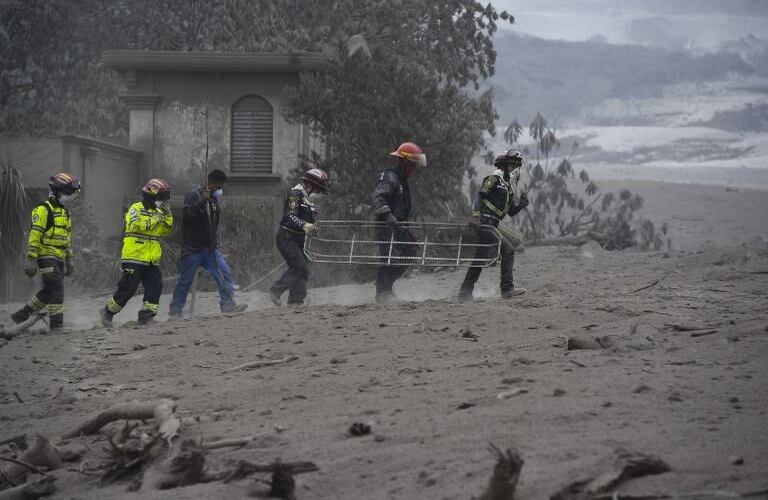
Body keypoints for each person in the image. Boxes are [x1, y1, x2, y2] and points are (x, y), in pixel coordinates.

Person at [168, 169, 246, 318]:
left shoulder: (215, 199)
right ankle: (175, 311)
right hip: (192, 249)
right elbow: (188, 216)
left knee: (224, 273)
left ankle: (228, 305)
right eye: (218, 188)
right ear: (209, 183)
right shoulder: (193, 195)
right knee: (185, 281)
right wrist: (202, 201)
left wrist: (213, 242)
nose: (220, 191)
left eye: (221, 188)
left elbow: (213, 223)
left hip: (210, 249)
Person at [11, 173, 81, 332]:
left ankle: (21, 315)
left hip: (59, 258)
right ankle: (57, 324)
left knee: (49, 291)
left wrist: (70, 260)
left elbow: (67, 239)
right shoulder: (43, 210)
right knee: (57, 288)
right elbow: (34, 236)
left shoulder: (66, 213)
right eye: (68, 193)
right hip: (46, 257)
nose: (70, 197)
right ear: (56, 192)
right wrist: (30, 260)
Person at [99, 178, 173, 327]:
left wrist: (167, 216)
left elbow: (165, 231)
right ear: (151, 195)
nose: (162, 202)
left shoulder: (159, 211)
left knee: (155, 286)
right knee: (128, 289)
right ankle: (107, 312)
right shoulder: (136, 208)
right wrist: (157, 218)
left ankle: (146, 317)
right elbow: (138, 225)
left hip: (151, 259)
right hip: (134, 256)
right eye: (160, 198)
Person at [458, 148, 529, 301]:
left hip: (493, 224)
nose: (514, 168)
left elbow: (510, 212)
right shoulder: (494, 178)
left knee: (479, 259)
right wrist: (476, 218)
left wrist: (521, 205)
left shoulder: (508, 187)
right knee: (508, 249)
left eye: (516, 166)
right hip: (485, 223)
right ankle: (507, 289)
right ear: (504, 164)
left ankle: (464, 292)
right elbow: (480, 196)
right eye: (512, 164)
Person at [372, 142, 427, 303]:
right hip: (386, 225)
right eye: (412, 165)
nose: (414, 169)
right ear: (403, 162)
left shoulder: (402, 181)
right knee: (387, 257)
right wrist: (389, 216)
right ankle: (382, 292)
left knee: (411, 250)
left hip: (399, 225)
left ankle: (386, 285)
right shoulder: (390, 177)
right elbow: (378, 197)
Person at [269, 168, 329, 306]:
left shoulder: (309, 200)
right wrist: (304, 225)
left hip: (299, 239)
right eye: (318, 189)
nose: (319, 192)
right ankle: (275, 290)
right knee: (299, 267)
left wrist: (313, 228)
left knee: (304, 269)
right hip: (286, 237)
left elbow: (310, 222)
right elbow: (290, 216)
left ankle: (296, 301)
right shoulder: (295, 194)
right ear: (310, 185)